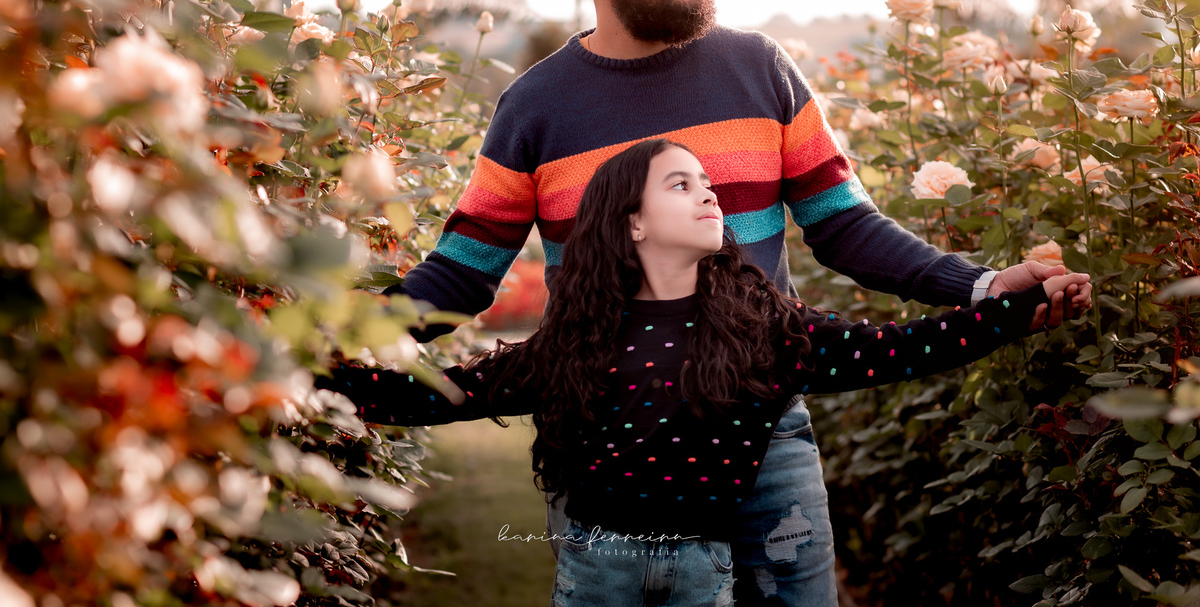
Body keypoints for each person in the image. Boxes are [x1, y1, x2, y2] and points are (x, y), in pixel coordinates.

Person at [386, 0, 1092, 605]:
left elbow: (847, 226)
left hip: (767, 430)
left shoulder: (761, 70)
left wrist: (978, 286)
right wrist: (327, 340)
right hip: (609, 448)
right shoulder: (534, 107)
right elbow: (462, 274)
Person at [332, 140, 1090, 607]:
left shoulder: (763, 329)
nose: (709, 193)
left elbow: (894, 349)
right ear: (632, 221)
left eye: (707, 183)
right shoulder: (581, 337)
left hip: (706, 568)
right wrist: (325, 385)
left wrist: (1008, 309)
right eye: (681, 184)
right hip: (597, 570)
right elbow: (456, 392)